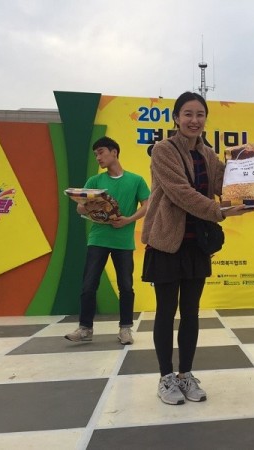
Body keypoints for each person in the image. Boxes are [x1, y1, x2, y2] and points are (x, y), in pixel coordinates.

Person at [141, 92, 252, 405]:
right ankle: (166, 377)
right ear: (176, 118)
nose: (194, 120)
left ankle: (185, 375)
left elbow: (225, 184)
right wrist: (220, 211)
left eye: (200, 114)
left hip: (197, 244)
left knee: (191, 311)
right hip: (167, 241)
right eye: (187, 114)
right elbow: (180, 192)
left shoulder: (208, 154)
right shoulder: (163, 150)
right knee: (166, 311)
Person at [65, 136, 150, 345]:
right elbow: (80, 208)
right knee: (89, 284)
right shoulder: (95, 181)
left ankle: (125, 329)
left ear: (114, 152)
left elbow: (147, 205)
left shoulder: (136, 180)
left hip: (123, 240)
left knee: (126, 286)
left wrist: (129, 219)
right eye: (95, 154)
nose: (98, 157)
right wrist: (89, 207)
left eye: (101, 152)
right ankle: (85, 328)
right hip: (98, 238)